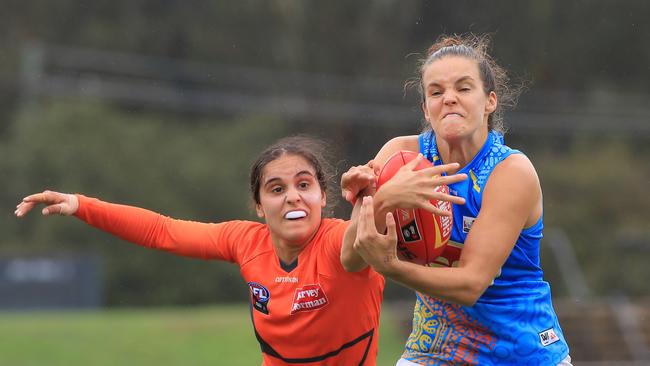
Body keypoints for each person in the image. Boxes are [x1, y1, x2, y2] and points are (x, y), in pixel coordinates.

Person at [16, 135, 399, 365]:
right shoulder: (245, 241)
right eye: (277, 189)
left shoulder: (337, 239)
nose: (292, 197)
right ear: (259, 206)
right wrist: (82, 205)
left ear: (323, 196)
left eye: (304, 184)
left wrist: (369, 200)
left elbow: (356, 243)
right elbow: (161, 231)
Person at [340, 34, 572, 365]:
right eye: (436, 92)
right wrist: (384, 198)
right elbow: (349, 258)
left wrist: (389, 266)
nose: (448, 98)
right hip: (435, 350)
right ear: (425, 107)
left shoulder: (510, 172)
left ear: (490, 101)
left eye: (463, 88)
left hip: (522, 351)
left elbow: (470, 285)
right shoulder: (400, 157)